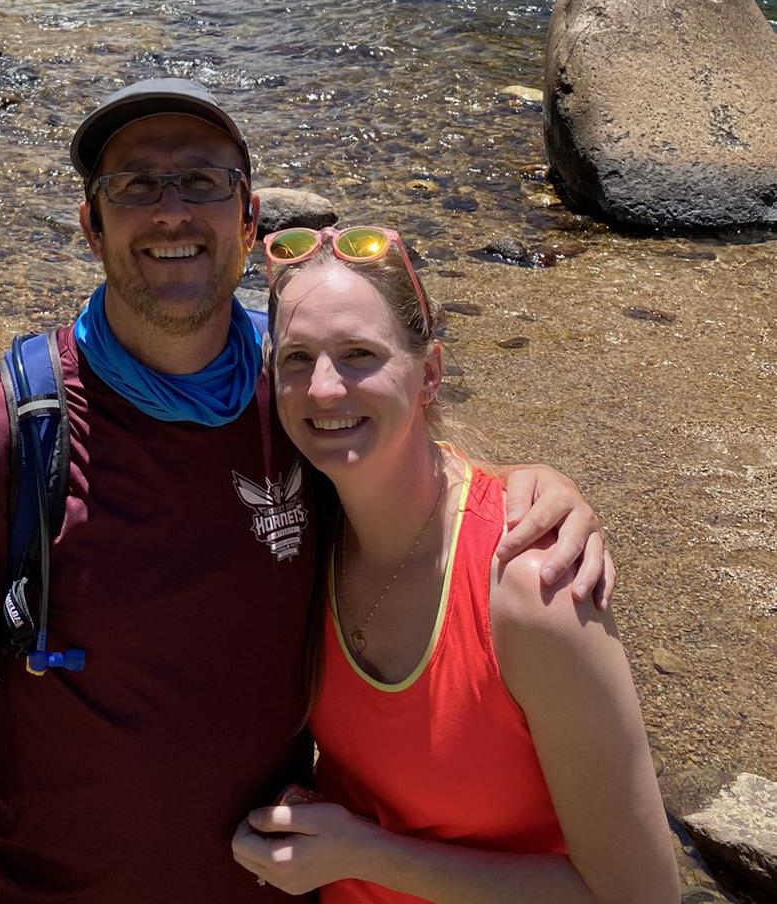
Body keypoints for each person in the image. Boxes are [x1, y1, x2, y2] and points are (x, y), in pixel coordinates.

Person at [0, 79, 612, 904]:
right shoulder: (7, 434)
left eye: (202, 181)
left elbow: (406, 469)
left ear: (247, 222)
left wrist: (537, 487)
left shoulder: (295, 401)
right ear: (91, 227)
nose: (172, 210)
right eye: (136, 183)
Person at [231, 225, 676, 903]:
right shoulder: (300, 529)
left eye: (358, 355)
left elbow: (641, 896)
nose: (322, 389)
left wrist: (365, 853)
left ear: (429, 373)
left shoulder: (533, 588)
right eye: (296, 358)